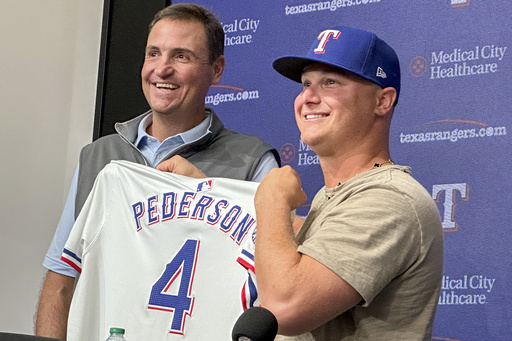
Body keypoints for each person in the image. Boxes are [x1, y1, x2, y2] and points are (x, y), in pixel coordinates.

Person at [35, 3, 279, 339]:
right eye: (154, 54)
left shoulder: (252, 161)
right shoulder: (100, 156)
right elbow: (61, 282)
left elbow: (275, 286)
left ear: (217, 69)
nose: (162, 69)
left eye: (181, 56)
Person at [254, 26, 444, 340]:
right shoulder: (338, 197)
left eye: (330, 82)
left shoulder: (389, 199)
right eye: (306, 84)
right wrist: (204, 190)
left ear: (383, 101)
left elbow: (282, 308)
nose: (308, 98)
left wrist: (272, 200)